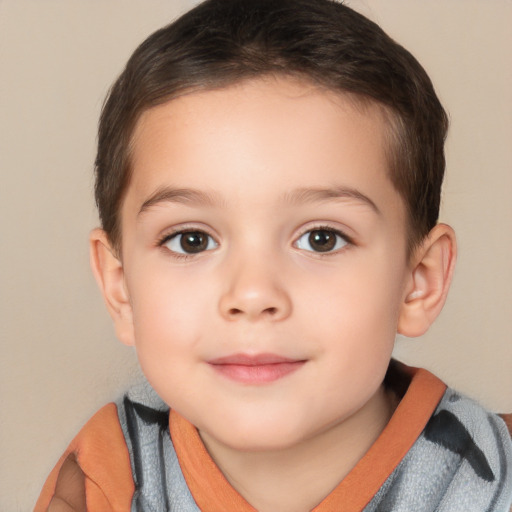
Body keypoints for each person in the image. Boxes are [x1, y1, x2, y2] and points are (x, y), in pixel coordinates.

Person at [34, 0, 512, 510]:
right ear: (120, 288)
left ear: (418, 280)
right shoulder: (100, 484)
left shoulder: (492, 480)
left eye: (321, 238)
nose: (253, 294)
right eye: (191, 239)